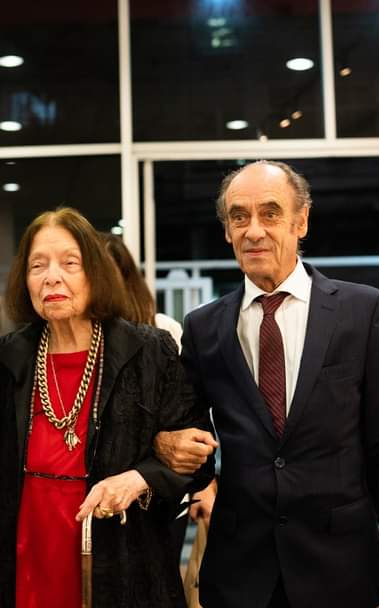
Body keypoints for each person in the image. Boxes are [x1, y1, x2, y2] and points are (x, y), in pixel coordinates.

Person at [0, 207, 213, 608]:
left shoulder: (149, 351)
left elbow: (198, 462)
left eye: (70, 263)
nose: (52, 277)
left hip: (122, 564)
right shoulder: (3, 360)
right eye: (38, 266)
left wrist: (138, 478)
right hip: (23, 558)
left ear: (95, 273)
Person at [153, 160, 379, 608]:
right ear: (226, 231)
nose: (253, 230)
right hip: (240, 573)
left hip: (340, 568)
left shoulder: (362, 312)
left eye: (270, 213)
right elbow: (189, 434)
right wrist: (167, 443)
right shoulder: (204, 327)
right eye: (239, 217)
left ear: (301, 221)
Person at [100, 232, 217, 556]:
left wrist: (203, 486)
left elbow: (187, 421)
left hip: (159, 497)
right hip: (102, 495)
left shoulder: (162, 332)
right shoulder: (79, 341)